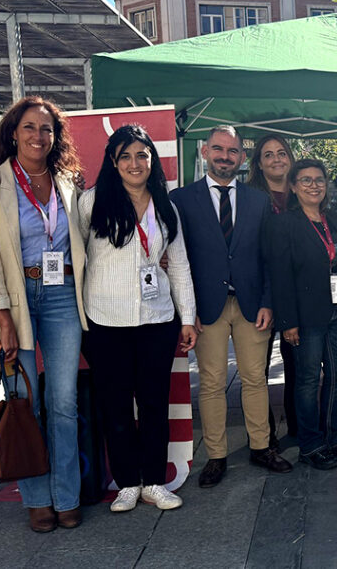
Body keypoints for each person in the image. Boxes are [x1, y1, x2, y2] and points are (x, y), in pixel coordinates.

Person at [0, 96, 87, 532]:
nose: (39, 136)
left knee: (64, 402)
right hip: (15, 300)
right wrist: (2, 320)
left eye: (47, 129)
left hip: (62, 298)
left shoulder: (68, 182)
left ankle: (67, 494)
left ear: (56, 138)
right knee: (25, 401)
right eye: (30, 127)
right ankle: (37, 498)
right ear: (12, 132)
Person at [78, 125, 199, 512]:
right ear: (113, 161)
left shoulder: (166, 205)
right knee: (115, 406)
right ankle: (127, 482)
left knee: (152, 404)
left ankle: (154, 482)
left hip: (157, 319)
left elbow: (178, 266)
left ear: (152, 160)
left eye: (142, 155)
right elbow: (78, 260)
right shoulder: (91, 202)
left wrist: (187, 318)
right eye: (126, 156)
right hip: (105, 320)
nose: (135, 163)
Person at [169, 125, 290, 488]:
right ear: (205, 152)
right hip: (207, 309)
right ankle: (217, 456)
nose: (225, 156)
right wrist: (186, 311)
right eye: (218, 150)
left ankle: (261, 447)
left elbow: (268, 257)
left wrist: (269, 301)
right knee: (211, 383)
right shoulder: (182, 199)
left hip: (253, 305)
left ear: (241, 156)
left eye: (232, 151)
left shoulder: (257, 199)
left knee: (255, 380)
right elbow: (178, 259)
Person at [266, 158, 337, 469]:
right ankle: (310, 444)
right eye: (306, 180)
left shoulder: (336, 220)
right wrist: (288, 322)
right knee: (308, 380)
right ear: (293, 187)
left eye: (319, 180)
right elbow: (280, 275)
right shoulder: (284, 224)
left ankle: (334, 436)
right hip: (305, 317)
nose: (314, 185)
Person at [248, 133, 298, 445]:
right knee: (257, 369)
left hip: (296, 293)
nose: (276, 159)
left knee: (296, 365)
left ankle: (297, 427)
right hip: (260, 293)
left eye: (281, 153)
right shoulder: (250, 197)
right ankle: (264, 434)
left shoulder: (302, 192)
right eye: (268, 155)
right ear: (259, 164)